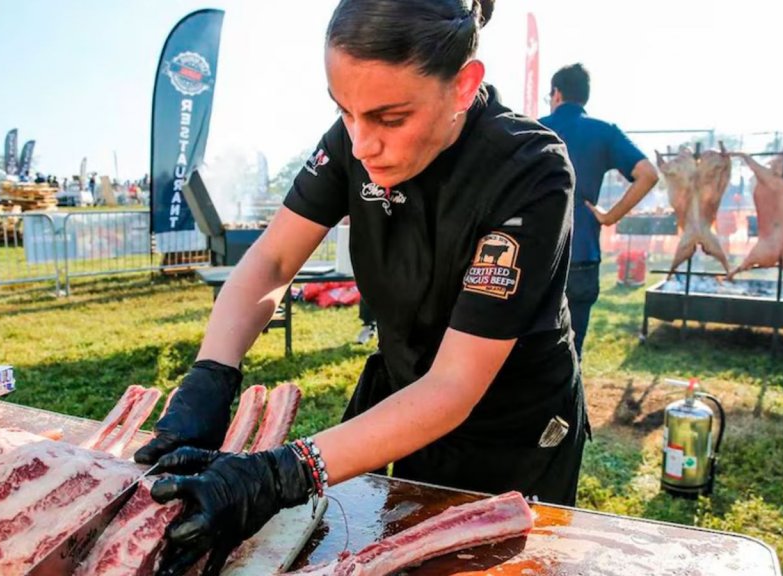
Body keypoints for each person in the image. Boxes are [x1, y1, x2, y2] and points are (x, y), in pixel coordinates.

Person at [133, 2, 588, 574]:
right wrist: (211, 374)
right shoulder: (353, 138)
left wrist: (283, 473)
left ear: (464, 86)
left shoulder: (530, 168)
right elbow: (272, 260)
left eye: (390, 119)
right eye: (344, 111)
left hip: (512, 429)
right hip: (404, 405)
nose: (362, 142)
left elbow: (454, 384)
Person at [538, 64, 658, 360]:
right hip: (582, 255)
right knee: (570, 353)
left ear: (556, 93)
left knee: (526, 355)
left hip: (535, 256)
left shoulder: (534, 129)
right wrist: (610, 216)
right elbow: (648, 174)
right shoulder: (604, 132)